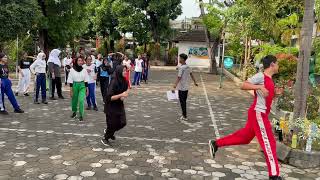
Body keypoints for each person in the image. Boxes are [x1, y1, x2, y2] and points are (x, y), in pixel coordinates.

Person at [209, 55, 281, 180]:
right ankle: (274, 175)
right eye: (277, 63)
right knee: (269, 143)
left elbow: (266, 96)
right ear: (272, 64)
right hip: (258, 114)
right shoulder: (261, 76)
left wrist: (275, 94)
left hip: (259, 114)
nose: (278, 66)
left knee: (244, 138)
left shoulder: (269, 79)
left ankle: (216, 143)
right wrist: (259, 86)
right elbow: (243, 85)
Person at [101, 65, 129, 146]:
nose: (125, 72)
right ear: (119, 72)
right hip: (111, 106)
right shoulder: (114, 82)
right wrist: (121, 95)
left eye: (125, 71)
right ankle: (105, 138)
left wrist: (123, 96)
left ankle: (109, 132)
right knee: (112, 124)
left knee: (123, 122)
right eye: (123, 71)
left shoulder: (125, 81)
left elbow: (123, 93)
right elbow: (110, 98)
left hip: (119, 105)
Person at [173, 53, 198, 121]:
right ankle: (184, 114)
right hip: (186, 87)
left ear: (183, 59)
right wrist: (195, 82)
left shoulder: (182, 68)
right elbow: (192, 75)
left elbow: (179, 77)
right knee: (184, 101)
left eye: (180, 58)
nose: (179, 59)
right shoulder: (188, 67)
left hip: (181, 87)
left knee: (182, 102)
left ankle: (184, 115)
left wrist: (175, 85)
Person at [67, 56, 89, 121]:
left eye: (81, 61)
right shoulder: (72, 70)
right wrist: (71, 90)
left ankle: (81, 115)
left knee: (81, 100)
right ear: (76, 62)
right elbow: (70, 81)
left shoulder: (84, 70)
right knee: (74, 99)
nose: (80, 62)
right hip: (74, 85)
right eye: (78, 61)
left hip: (82, 85)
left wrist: (87, 89)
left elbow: (86, 80)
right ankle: (74, 112)